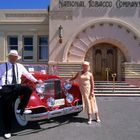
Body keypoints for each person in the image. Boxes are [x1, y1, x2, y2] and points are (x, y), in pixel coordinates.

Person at [0, 50, 40, 139]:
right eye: (12, 56)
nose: (14, 58)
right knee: (7, 110)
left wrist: (36, 81)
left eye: (15, 57)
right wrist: (1, 89)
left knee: (28, 89)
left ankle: (20, 108)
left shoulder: (20, 66)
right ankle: (7, 130)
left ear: (17, 58)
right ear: (9, 57)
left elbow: (28, 75)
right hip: (6, 88)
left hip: (17, 87)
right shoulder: (2, 66)